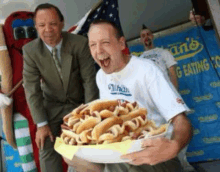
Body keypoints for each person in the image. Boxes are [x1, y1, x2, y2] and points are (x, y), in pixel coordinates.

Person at [65, 19, 192, 172]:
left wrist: (174, 147)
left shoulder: (146, 71)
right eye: (92, 45)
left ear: (121, 44)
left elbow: (182, 120)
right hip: (119, 149)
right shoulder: (101, 76)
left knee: (121, 163)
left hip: (154, 153)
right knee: (69, 154)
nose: (98, 51)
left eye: (105, 42)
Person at [22, 3, 99, 172]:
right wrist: (41, 125)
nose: (47, 29)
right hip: (52, 106)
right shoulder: (30, 51)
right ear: (35, 27)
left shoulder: (79, 43)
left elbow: (89, 81)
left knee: (87, 146)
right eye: (41, 25)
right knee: (45, 144)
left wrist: (90, 115)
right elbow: (32, 89)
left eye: (53, 24)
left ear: (62, 23)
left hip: (80, 105)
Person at [139, 25, 178, 90]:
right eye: (143, 36)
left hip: (166, 91)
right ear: (141, 40)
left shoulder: (164, 52)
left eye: (148, 34)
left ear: (152, 36)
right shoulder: (140, 59)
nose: (146, 37)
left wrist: (175, 94)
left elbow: (173, 74)